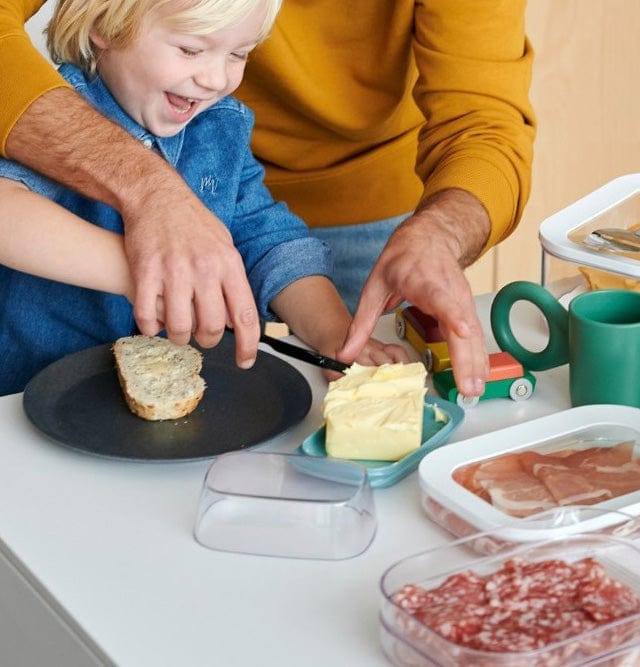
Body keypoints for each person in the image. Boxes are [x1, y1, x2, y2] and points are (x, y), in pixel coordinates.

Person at [0, 1, 536, 398]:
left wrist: (334, 336)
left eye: (240, 54)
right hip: (33, 397)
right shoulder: (54, 113)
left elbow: (269, 240)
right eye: (190, 49)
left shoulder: (221, 129)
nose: (215, 79)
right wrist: (151, 270)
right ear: (103, 25)